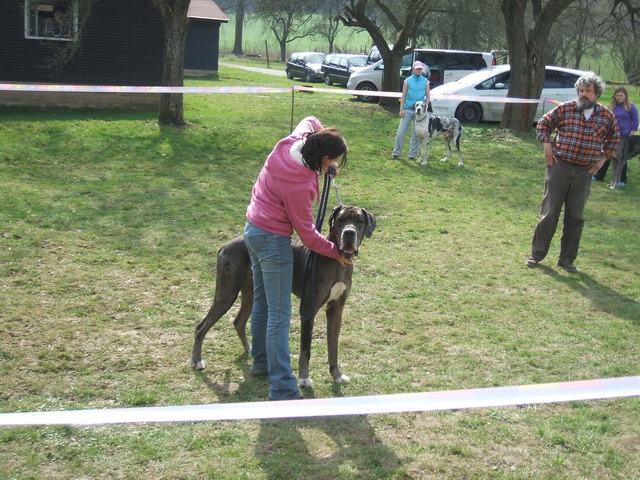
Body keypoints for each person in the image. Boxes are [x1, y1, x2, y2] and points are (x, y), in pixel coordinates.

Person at [243, 116, 352, 401]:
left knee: (263, 302)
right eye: (332, 160)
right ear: (324, 156)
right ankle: (282, 387)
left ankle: (261, 362)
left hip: (251, 229)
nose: (333, 165)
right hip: (272, 240)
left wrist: (328, 164)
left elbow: (310, 119)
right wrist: (336, 252)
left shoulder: (294, 141)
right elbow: (308, 236)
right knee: (279, 314)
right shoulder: (300, 185)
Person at [526, 72, 620, 273]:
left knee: (575, 217)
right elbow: (543, 123)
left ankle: (567, 259)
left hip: (584, 172)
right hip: (559, 166)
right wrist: (546, 145)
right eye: (581, 91)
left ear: (597, 93)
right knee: (550, 212)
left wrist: (604, 158)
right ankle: (537, 254)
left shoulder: (606, 116)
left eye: (588, 91)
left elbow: (614, 139)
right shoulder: (566, 108)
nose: (584, 94)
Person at [592, 86, 638, 186]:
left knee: (621, 157)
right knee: (608, 155)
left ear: (625, 96)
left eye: (621, 95)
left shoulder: (630, 107)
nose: (619, 97)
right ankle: (599, 176)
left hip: (624, 136)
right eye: (617, 95)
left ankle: (621, 180)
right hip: (611, 135)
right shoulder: (611, 107)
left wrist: (632, 132)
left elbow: (636, 120)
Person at [392, 61, 430, 160]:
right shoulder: (407, 81)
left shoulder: (426, 81)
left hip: (420, 111)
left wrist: (425, 108)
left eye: (420, 69)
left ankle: (412, 154)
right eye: (416, 68)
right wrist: (401, 109)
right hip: (408, 109)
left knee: (415, 134)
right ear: (413, 69)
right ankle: (396, 152)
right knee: (401, 132)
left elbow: (428, 96)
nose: (418, 70)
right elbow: (403, 95)